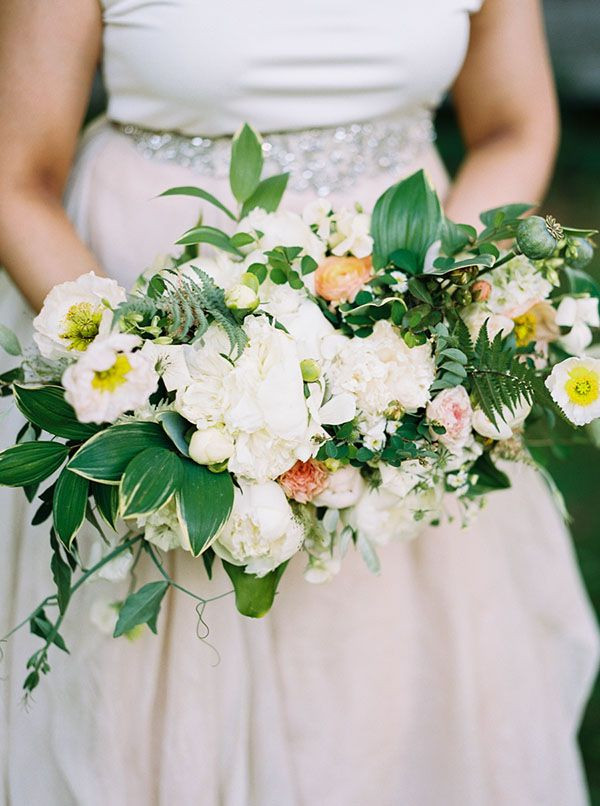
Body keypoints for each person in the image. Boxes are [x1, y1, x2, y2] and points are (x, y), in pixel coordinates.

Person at [0, 1, 598, 804]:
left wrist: (435, 319)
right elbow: (15, 178)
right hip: (158, 309)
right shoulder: (146, 365)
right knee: (153, 682)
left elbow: (514, 127)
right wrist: (148, 376)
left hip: (407, 316)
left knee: (391, 686)